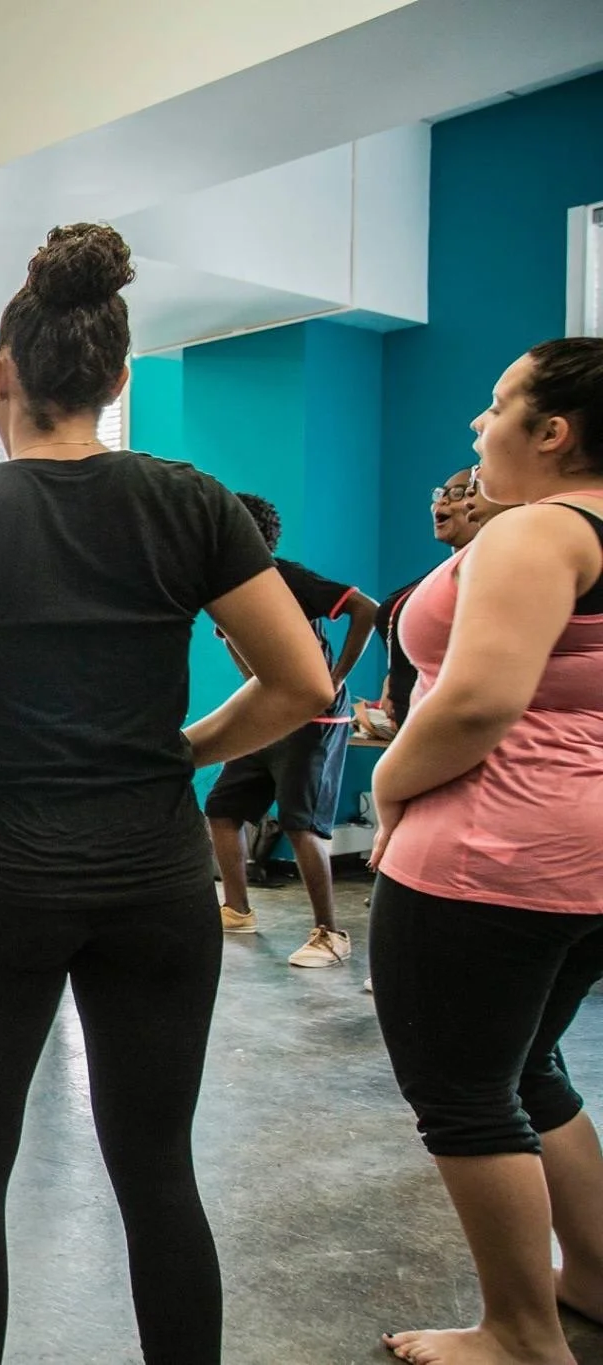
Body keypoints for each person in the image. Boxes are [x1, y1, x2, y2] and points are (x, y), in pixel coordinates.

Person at [0, 223, 334, 1365]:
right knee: (157, 1173)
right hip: (154, 878)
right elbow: (301, 682)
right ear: (116, 382)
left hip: (3, 877)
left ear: (2, 377)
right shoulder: (190, 501)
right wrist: (186, 749)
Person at [369, 338, 603, 1365]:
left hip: (491, 854)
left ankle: (518, 1333)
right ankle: (590, 1274)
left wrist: (387, 785)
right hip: (582, 858)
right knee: (528, 1066)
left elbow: (473, 703)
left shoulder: (539, 530)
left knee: (464, 1091)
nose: (477, 424)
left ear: (551, 431)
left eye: (497, 404)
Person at [204, 493, 378, 968]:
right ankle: (237, 910)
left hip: (313, 720)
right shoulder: (226, 585)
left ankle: (330, 933)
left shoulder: (286, 577)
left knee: (302, 825)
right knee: (222, 811)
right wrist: (257, 694)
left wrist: (335, 679)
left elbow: (365, 608)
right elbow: (238, 646)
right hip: (266, 718)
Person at [370, 468, 511, 731]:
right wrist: (395, 676)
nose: (442, 502)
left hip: (449, 730)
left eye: (459, 493)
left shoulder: (496, 577)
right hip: (412, 721)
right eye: (440, 494)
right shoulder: (439, 579)